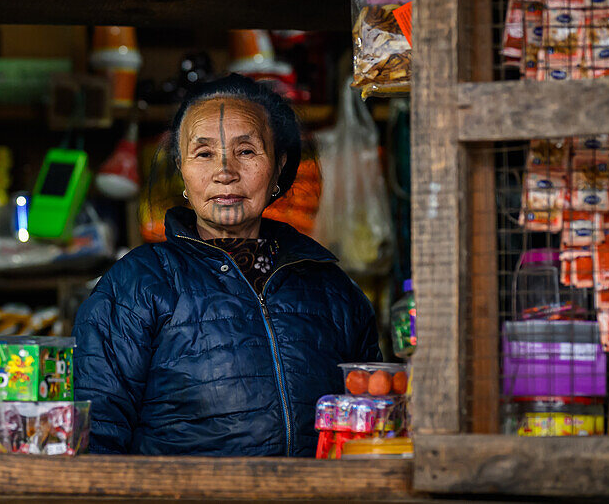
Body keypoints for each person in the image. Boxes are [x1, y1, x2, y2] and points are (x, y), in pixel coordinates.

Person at [73, 73, 381, 456]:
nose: (225, 172)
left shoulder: (333, 291)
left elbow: (373, 423)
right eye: (203, 153)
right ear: (182, 170)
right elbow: (94, 437)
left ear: (279, 168)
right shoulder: (136, 285)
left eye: (247, 151)